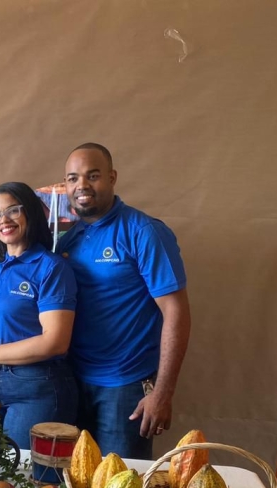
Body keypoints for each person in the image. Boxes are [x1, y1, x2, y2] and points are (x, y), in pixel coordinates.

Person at [57, 142, 191, 459]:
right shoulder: (68, 239)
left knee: (119, 486)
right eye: (73, 178)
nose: (82, 185)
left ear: (112, 177)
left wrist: (163, 392)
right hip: (71, 382)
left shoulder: (144, 232)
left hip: (124, 388)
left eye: (92, 176)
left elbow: (176, 313)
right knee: (71, 480)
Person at [0, 182, 78, 451]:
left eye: (12, 211)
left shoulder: (51, 268)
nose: (3, 220)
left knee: (21, 471)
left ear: (30, 212)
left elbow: (56, 342)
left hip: (36, 387)